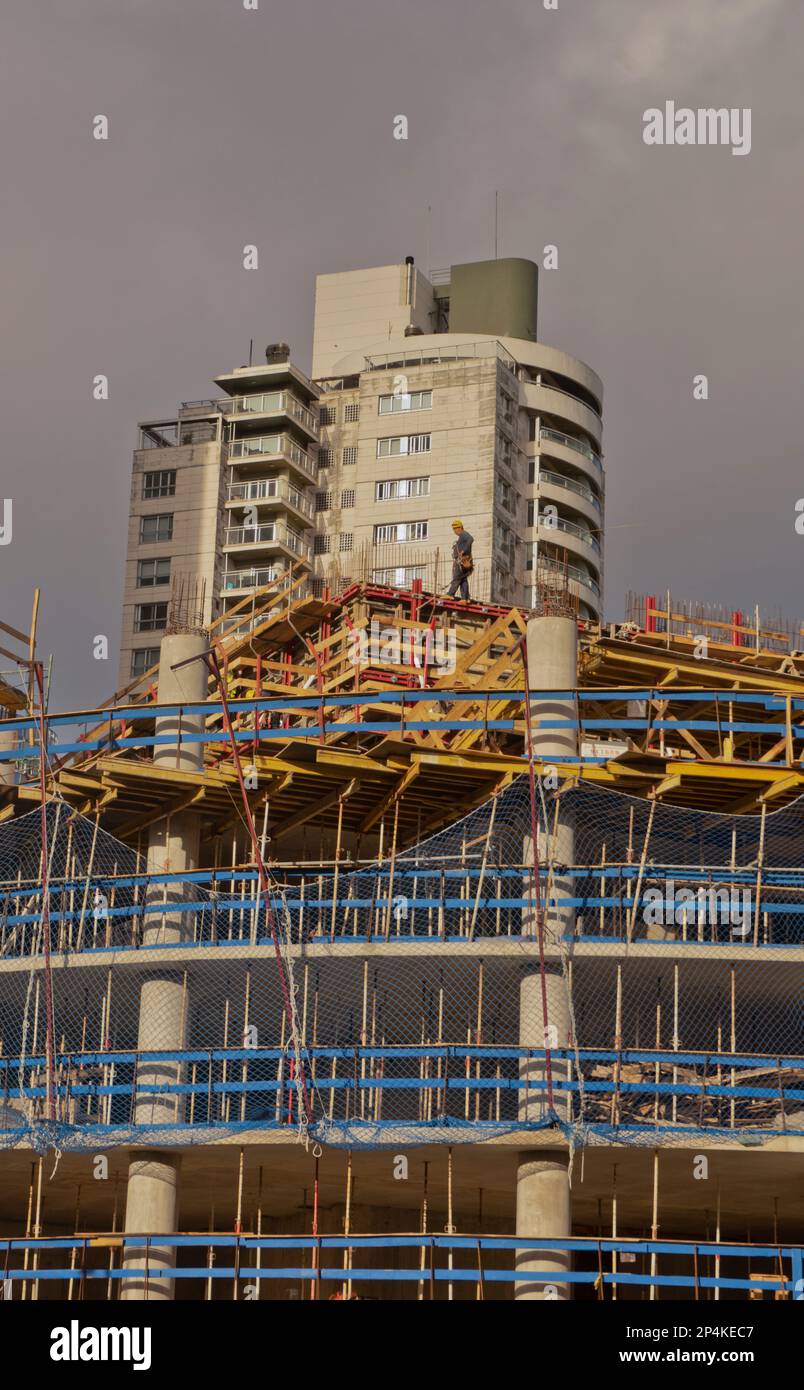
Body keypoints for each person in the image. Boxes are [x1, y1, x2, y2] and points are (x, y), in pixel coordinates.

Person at [447, 519, 474, 600]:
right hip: (463, 561)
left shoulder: (464, 534)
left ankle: (450, 594)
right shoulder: (461, 536)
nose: (454, 531)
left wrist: (463, 551)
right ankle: (465, 598)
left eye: (455, 529)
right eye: (454, 529)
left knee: (457, 577)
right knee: (463, 580)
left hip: (463, 561)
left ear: (460, 528)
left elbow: (471, 539)